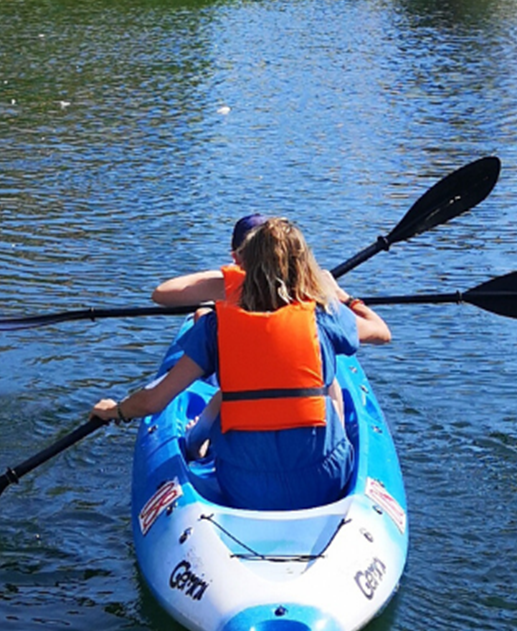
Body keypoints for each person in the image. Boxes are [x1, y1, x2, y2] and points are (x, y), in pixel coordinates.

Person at [92, 217, 391, 511]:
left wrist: (115, 410)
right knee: (331, 379)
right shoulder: (325, 316)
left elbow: (153, 401)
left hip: (245, 489)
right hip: (324, 482)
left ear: (243, 266)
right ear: (304, 266)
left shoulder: (215, 327)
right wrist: (341, 296)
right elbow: (381, 331)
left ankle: (199, 441)